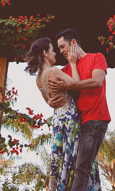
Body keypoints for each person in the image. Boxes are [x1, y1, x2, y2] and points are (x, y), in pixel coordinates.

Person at [25, 38, 100, 191]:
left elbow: (49, 101)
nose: (55, 53)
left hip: (58, 120)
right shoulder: (53, 71)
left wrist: (51, 103)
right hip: (69, 119)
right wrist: (72, 63)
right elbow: (76, 85)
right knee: (75, 156)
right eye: (52, 50)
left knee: (61, 157)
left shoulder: (39, 79)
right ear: (45, 53)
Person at [45, 28, 108, 191]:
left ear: (73, 43)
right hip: (75, 126)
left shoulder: (96, 57)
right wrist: (49, 101)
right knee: (72, 167)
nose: (61, 51)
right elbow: (50, 88)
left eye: (62, 46)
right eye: (58, 48)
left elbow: (96, 82)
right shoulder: (66, 70)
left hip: (94, 120)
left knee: (82, 168)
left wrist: (71, 84)